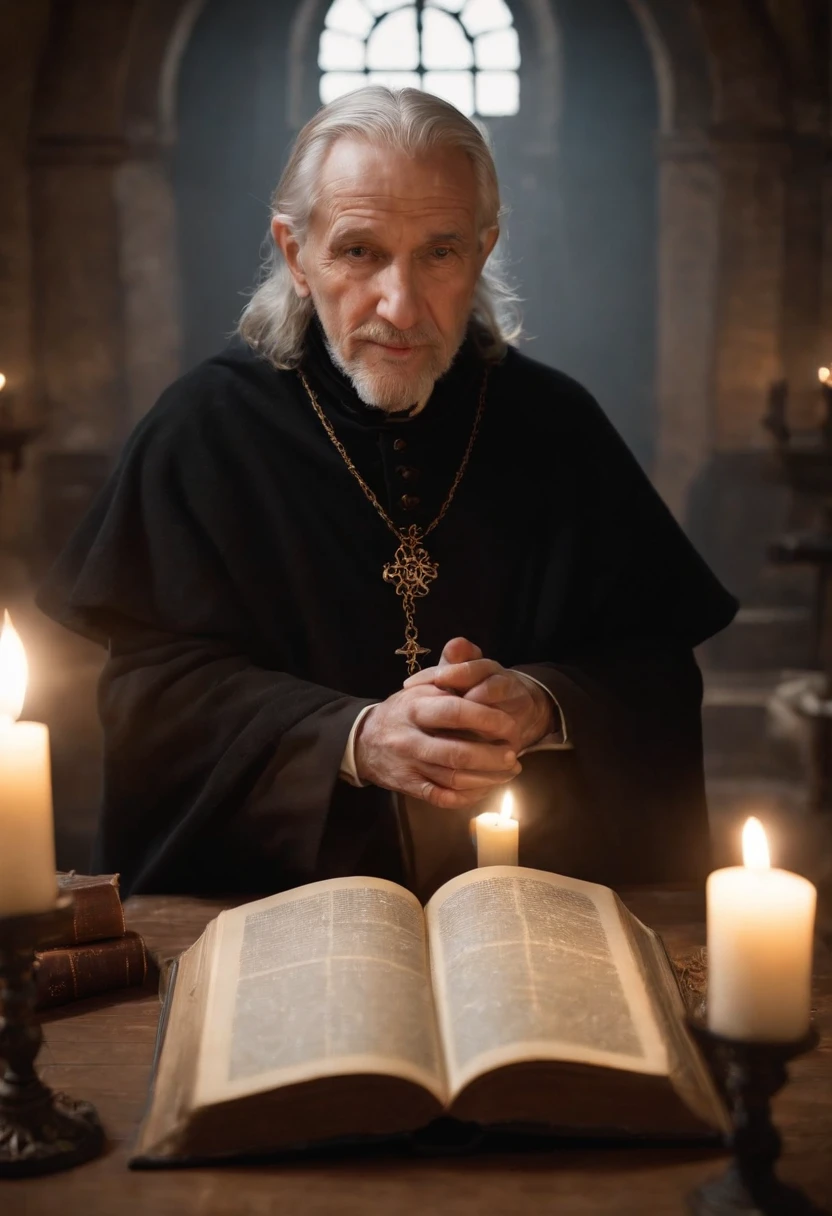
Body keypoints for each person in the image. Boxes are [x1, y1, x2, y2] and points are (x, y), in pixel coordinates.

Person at [37, 87, 738, 899]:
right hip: (281, 916)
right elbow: (156, 701)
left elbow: (653, 669)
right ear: (297, 256)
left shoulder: (557, 426)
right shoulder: (204, 431)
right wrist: (354, 738)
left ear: (482, 250)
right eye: (360, 251)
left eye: (439, 253)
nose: (400, 308)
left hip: (523, 920)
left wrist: (543, 706)